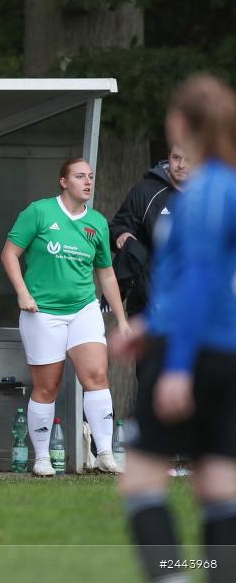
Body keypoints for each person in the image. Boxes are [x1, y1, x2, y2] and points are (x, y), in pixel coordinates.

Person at [112, 74, 236, 583]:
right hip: (225, 350)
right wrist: (149, 323)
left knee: (141, 484)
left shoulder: (205, 190)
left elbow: (202, 279)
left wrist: (177, 365)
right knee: (217, 487)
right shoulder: (227, 183)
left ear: (181, 123)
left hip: (192, 351)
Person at [1, 158, 129, 477]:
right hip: (41, 312)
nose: (87, 182)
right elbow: (9, 254)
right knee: (48, 386)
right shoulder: (39, 212)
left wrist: (123, 321)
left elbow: (107, 275)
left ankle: (105, 454)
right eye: (79, 176)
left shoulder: (98, 222)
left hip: (83, 308)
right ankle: (42, 458)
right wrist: (22, 292)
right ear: (63, 181)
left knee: (97, 376)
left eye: (90, 177)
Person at [109, 146, 191, 316]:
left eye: (188, 159)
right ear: (168, 157)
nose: (181, 165)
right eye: (176, 158)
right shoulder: (145, 191)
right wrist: (121, 235)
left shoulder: (210, 195)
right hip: (147, 300)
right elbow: (117, 226)